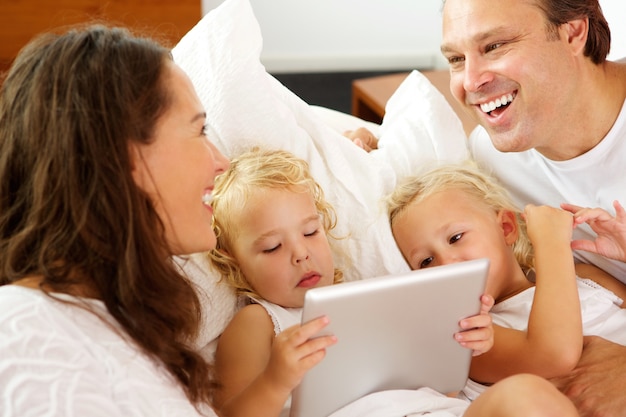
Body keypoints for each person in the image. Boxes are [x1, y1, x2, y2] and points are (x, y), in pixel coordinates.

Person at [345, 1, 626, 414]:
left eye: (494, 45)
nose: (470, 82)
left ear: (572, 33)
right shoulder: (496, 154)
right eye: (457, 59)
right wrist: (367, 150)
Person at [208, 148, 577, 417]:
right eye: (272, 247)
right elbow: (231, 414)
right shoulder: (259, 321)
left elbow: (445, 385)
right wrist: (276, 379)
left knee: (527, 396)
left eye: (310, 231)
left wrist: (470, 344)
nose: (301, 254)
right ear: (234, 262)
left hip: (445, 410)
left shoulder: (373, 296)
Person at [0, 25, 231, 415]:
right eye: (199, 129)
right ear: (124, 156)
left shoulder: (120, 325)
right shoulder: (24, 331)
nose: (221, 162)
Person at [387, 161, 626, 404]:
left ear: (506, 227)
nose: (447, 263)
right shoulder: (474, 337)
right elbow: (555, 356)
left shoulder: (586, 277)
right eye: (426, 261)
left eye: (456, 237)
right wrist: (551, 242)